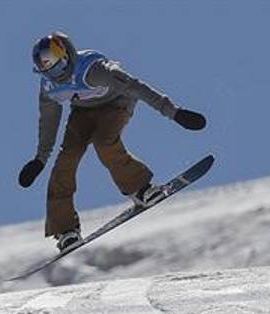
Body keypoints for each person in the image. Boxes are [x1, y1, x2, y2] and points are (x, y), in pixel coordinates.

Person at [17, 32, 207, 251]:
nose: (56, 75)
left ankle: (140, 189)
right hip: (82, 112)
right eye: (48, 71)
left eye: (58, 67)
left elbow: (136, 87)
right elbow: (49, 122)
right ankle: (65, 229)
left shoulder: (94, 70)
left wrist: (174, 112)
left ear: (68, 55)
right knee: (65, 161)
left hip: (116, 103)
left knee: (104, 142)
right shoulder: (49, 87)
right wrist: (40, 159)